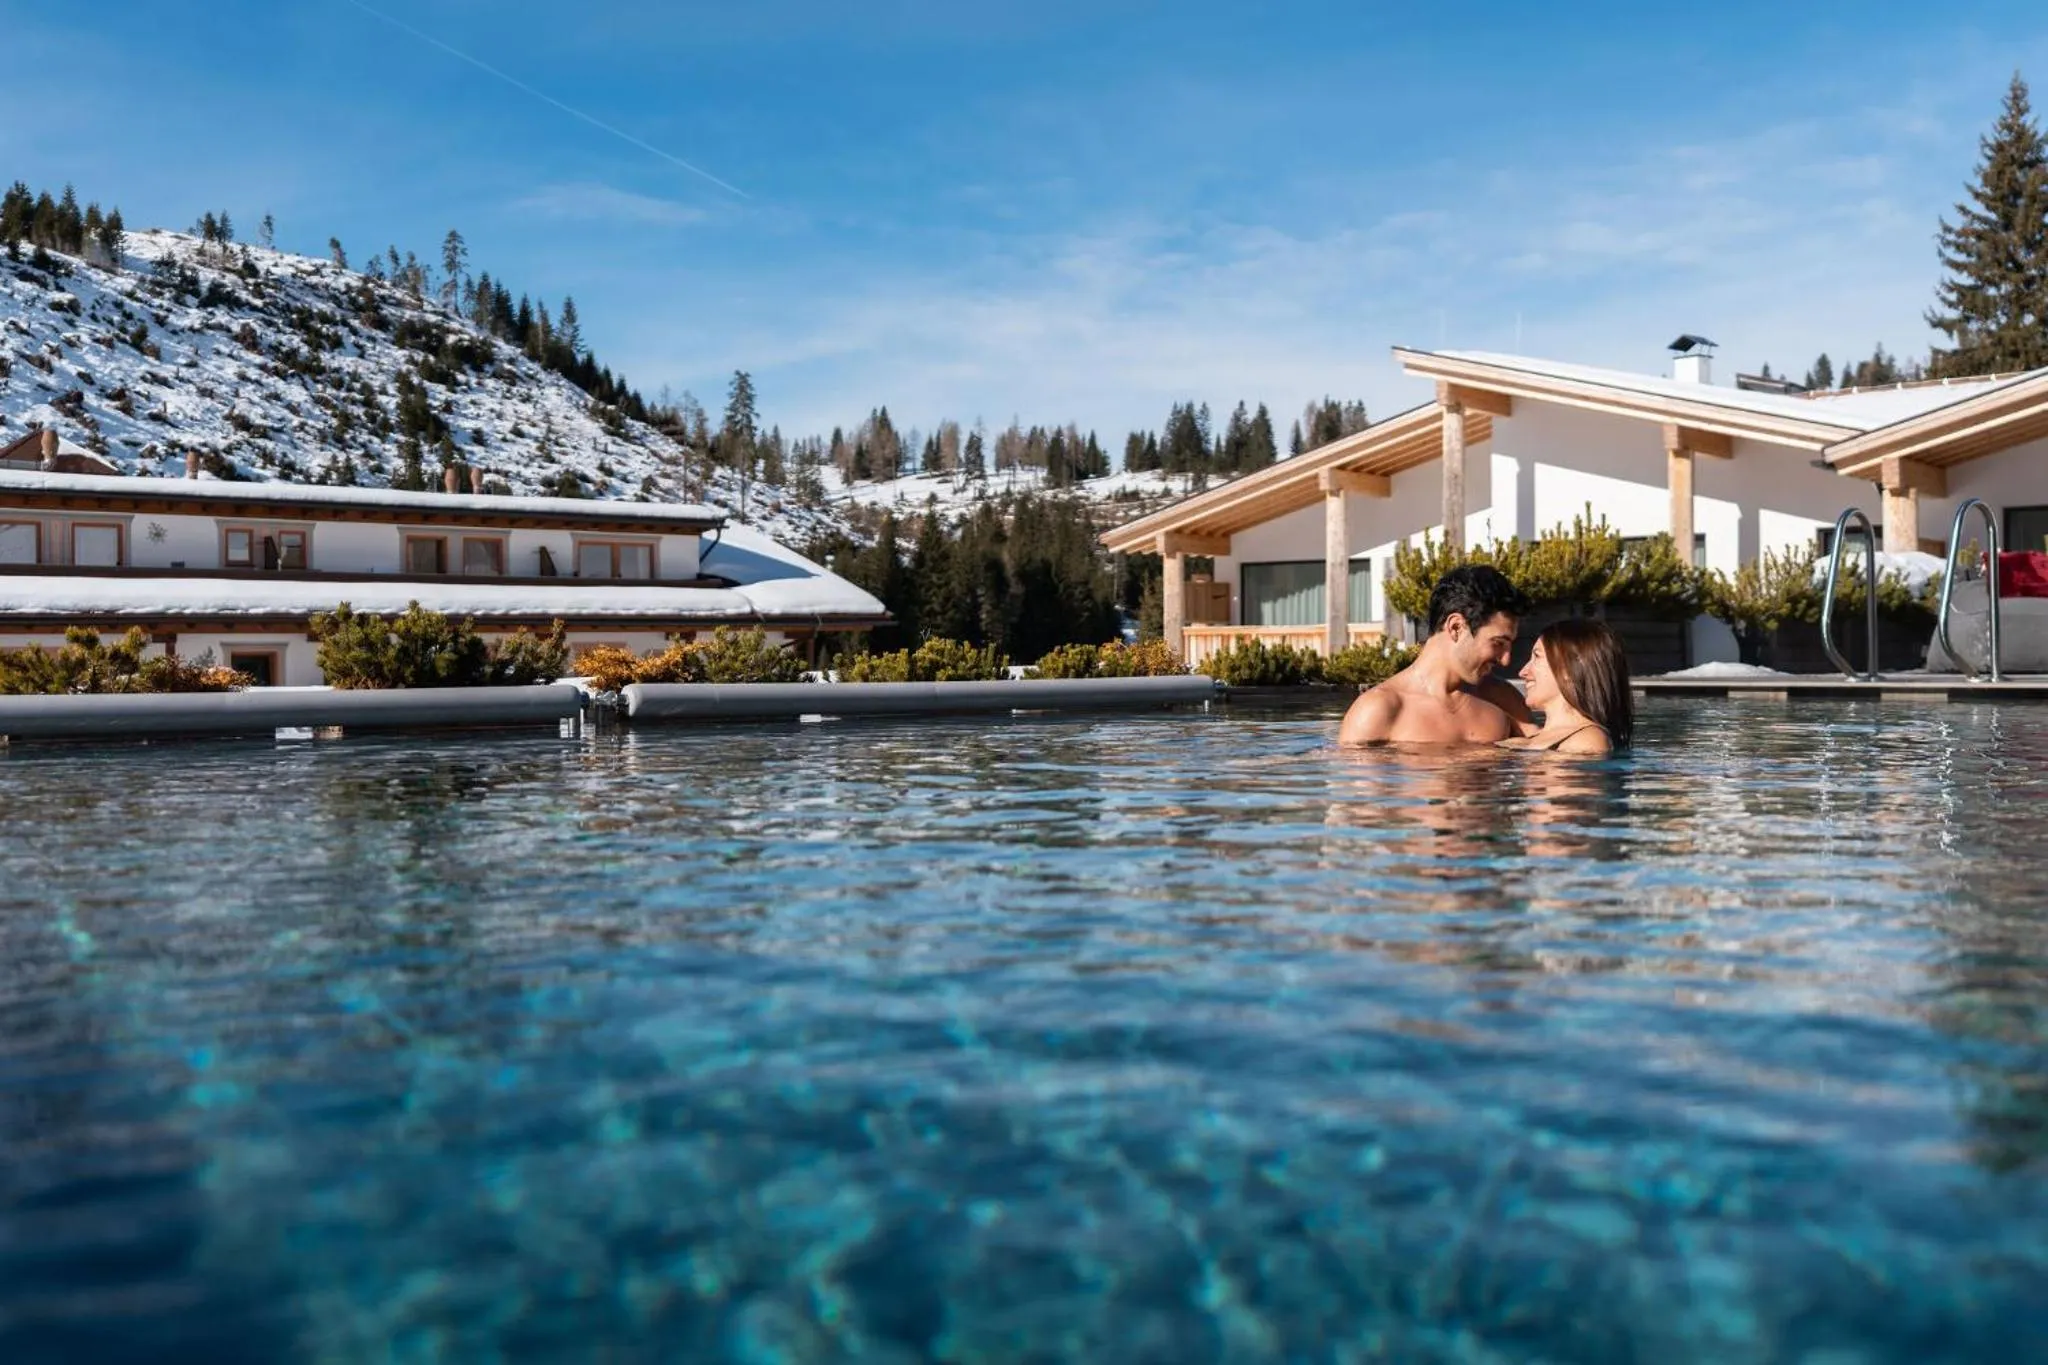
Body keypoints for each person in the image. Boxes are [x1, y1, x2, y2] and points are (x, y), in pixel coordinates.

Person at [1338, 564, 1536, 746]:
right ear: (1456, 627)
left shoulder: (1501, 698)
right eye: (1498, 643)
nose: (1506, 659)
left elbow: (1550, 758)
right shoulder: (1378, 711)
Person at [1499, 618, 1633, 755]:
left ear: (1568, 670)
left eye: (1537, 657)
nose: (1523, 672)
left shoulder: (1587, 741)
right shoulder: (1523, 742)